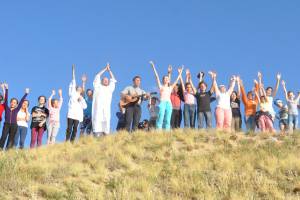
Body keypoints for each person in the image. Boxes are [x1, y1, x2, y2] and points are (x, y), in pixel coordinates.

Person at [150, 61, 183, 130]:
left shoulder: (170, 87)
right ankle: (158, 131)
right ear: (163, 80)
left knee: (168, 119)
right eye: (164, 79)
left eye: (167, 79)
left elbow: (177, 80)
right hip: (162, 103)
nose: (166, 79)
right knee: (160, 117)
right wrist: (153, 67)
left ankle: (167, 132)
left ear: (168, 80)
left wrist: (180, 72)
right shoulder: (161, 86)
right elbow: (156, 77)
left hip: (169, 103)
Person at [0, 84, 29, 150]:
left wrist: (26, 93)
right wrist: (7, 89)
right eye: (12, 102)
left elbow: (21, 101)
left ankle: (8, 151)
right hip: (6, 124)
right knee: (3, 137)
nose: (13, 103)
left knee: (11, 139)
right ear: (10, 103)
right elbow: (6, 99)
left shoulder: (16, 109)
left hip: (14, 125)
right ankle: (0, 150)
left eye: (15, 102)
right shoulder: (7, 108)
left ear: (16, 104)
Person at [92, 63, 117, 136]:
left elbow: (113, 80)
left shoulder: (109, 89)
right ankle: (96, 135)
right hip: (98, 108)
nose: (106, 81)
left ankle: (105, 135)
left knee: (106, 120)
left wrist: (109, 71)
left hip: (106, 108)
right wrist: (105, 69)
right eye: (104, 80)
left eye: (107, 80)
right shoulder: (97, 87)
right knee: (97, 119)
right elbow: (97, 76)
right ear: (101, 81)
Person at [66, 65, 87, 142]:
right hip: (71, 113)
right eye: (78, 87)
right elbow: (73, 80)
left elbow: (85, 107)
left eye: (80, 88)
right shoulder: (72, 93)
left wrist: (81, 100)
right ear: (75, 88)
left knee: (75, 128)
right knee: (69, 127)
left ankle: (72, 142)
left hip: (78, 115)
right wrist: (73, 71)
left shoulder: (82, 98)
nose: (79, 88)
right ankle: (67, 140)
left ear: (81, 90)